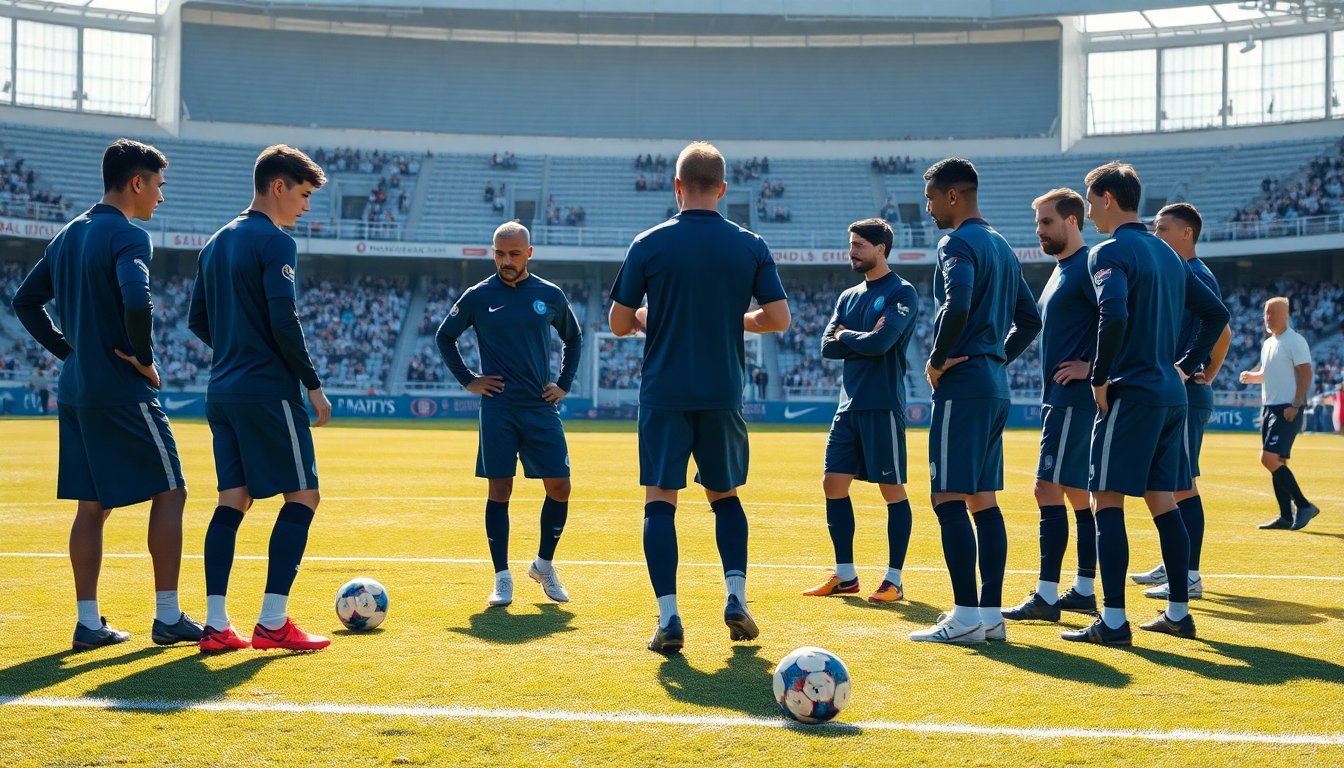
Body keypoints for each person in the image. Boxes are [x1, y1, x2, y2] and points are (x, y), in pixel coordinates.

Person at [12, 138, 200, 650]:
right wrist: (143, 356)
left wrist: (68, 351)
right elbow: (137, 302)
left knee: (91, 507)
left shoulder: (68, 234)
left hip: (74, 390)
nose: (161, 197)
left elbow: (24, 301)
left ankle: (88, 623)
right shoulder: (129, 236)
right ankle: (167, 616)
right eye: (159, 186)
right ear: (136, 182)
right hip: (121, 388)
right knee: (172, 490)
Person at [609, 141, 790, 654]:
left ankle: (668, 617)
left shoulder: (649, 242)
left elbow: (619, 322)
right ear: (724, 190)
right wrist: (737, 318)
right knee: (725, 498)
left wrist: (648, 318)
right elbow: (778, 319)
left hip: (665, 391)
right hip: (723, 390)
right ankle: (735, 596)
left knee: (660, 502)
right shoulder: (750, 244)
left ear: (677, 186)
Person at [1062, 163, 1227, 647]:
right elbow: (1215, 313)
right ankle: (1178, 612)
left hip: (1131, 392)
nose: (1089, 210)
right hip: (1172, 395)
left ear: (1109, 198)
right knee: (1162, 501)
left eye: (1091, 201)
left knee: (1105, 500)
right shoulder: (1167, 253)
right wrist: (1184, 365)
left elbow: (1113, 312)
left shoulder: (1108, 252)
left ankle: (1113, 622)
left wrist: (1098, 377)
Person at [187, 145, 333, 653]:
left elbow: (198, 321)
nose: (306, 207)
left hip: (221, 390)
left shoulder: (215, 242)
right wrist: (313, 385)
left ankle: (216, 625)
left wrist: (234, 349)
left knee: (233, 500)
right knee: (303, 496)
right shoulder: (275, 242)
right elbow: (284, 321)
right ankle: (273, 622)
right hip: (267, 392)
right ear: (278, 186)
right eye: (304, 194)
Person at [913, 158, 1041, 645]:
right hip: (993, 384)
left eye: (930, 198)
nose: (927, 208)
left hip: (964, 386)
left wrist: (937, 360)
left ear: (952, 196)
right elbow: (1030, 321)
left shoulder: (956, 242)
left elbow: (958, 301)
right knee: (983, 500)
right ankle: (990, 616)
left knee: (946, 495)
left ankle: (965, 616)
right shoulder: (1004, 247)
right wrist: (995, 357)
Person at [436, 222, 583, 606]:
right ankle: (502, 578)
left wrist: (564, 383)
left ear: (529, 254)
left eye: (514, 254)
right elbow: (444, 336)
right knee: (500, 489)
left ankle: (543, 566)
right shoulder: (477, 295)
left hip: (540, 406)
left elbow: (574, 336)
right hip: (498, 408)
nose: (506, 261)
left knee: (561, 486)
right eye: (500, 253)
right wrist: (469, 379)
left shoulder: (549, 294)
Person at [804, 219, 920, 604]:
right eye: (850, 244)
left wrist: (849, 337)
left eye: (859, 245)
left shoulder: (902, 292)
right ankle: (846, 575)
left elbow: (882, 343)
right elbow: (826, 346)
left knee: (891, 490)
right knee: (832, 484)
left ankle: (894, 580)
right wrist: (862, 339)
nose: (851, 251)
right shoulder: (848, 296)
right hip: (848, 406)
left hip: (882, 404)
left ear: (881, 248)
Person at [1002, 188, 1098, 623]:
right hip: (1058, 398)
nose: (1038, 230)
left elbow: (1123, 319)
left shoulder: (1088, 266)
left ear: (1072, 221)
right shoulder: (1061, 270)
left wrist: (1093, 366)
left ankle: (1045, 596)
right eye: (1038, 222)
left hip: (1072, 399)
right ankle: (1082, 588)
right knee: (1079, 495)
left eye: (1046, 222)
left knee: (1046, 488)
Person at [1131, 203, 1231, 600]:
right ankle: (1174, 563)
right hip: (1182, 392)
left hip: (1187, 392)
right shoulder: (1179, 271)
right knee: (1170, 483)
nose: (1156, 236)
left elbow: (1221, 327)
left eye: (1163, 229)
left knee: (1183, 484)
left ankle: (1188, 576)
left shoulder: (1194, 272)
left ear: (1186, 233)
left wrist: (1197, 370)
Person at [1240, 297, 1320, 531]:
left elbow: (1305, 373)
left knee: (1269, 459)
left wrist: (1296, 404)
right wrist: (1251, 377)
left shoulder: (1295, 341)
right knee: (1278, 461)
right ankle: (1286, 516)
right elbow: (1267, 373)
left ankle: (1304, 505)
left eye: (1272, 313)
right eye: (1266, 313)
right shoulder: (1269, 344)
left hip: (1287, 408)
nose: (1267, 318)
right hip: (1270, 408)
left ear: (1284, 315)